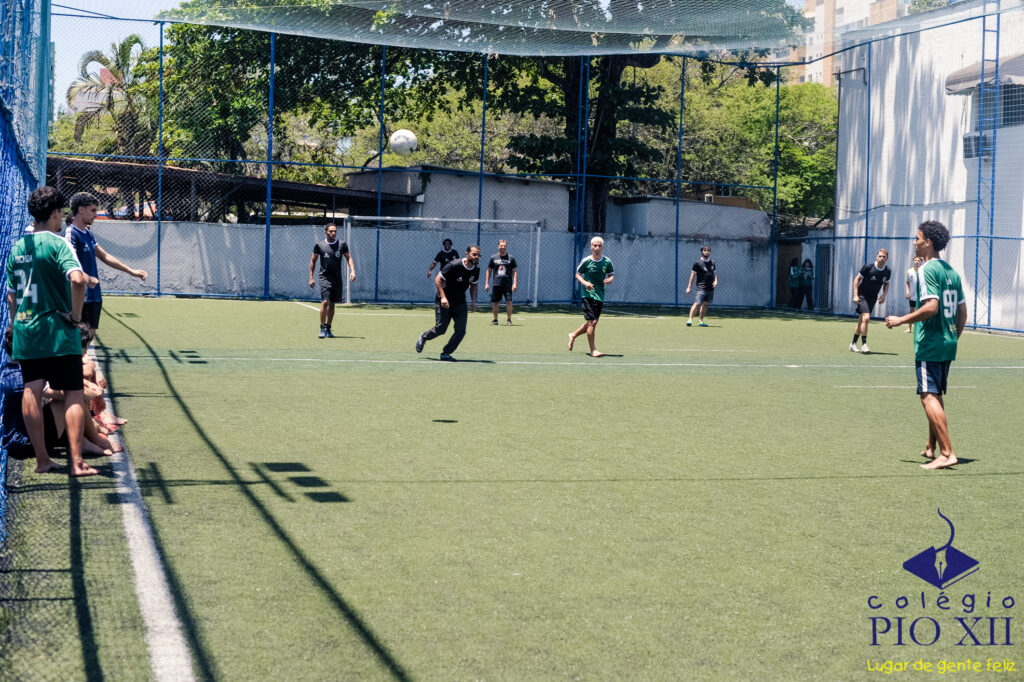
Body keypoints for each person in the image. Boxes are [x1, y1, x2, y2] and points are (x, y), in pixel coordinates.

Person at [6, 186, 95, 476]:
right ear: (56, 213)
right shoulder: (59, 244)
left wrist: (15, 325)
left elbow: (11, 296)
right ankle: (77, 462)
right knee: (73, 392)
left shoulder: (18, 247)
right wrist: (75, 317)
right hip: (58, 331)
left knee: (31, 390)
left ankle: (42, 461)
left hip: (26, 330)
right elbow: (77, 280)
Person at [885, 221, 967, 470]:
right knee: (935, 395)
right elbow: (962, 312)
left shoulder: (926, 270)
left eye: (918, 238)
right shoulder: (951, 271)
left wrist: (901, 320)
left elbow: (931, 307)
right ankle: (932, 446)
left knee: (928, 395)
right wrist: (952, 336)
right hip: (947, 343)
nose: (914, 242)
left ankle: (947, 453)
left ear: (928, 242)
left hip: (930, 343)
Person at [64, 192, 148, 330]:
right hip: (80, 296)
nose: (96, 214)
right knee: (78, 339)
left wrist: (131, 271)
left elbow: (105, 256)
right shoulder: (71, 234)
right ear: (81, 209)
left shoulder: (88, 233)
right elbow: (68, 264)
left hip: (94, 295)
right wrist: (86, 278)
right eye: (93, 210)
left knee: (89, 336)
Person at [416, 245, 481, 361]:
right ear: (467, 254)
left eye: (478, 255)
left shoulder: (476, 269)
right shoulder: (454, 265)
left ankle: (446, 353)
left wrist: (473, 301)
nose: (476, 257)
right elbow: (438, 279)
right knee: (441, 328)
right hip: (444, 299)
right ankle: (424, 336)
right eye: (474, 254)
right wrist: (443, 297)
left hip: (460, 301)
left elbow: (474, 285)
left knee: (461, 330)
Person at [568, 236, 614, 357]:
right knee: (592, 322)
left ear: (602, 247)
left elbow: (611, 275)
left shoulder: (607, 261)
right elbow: (578, 274)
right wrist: (585, 283)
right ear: (591, 247)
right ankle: (593, 350)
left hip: (599, 295)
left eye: (599, 245)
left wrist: (610, 279)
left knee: (592, 323)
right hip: (587, 295)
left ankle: (573, 334)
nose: (597, 247)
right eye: (595, 245)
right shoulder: (586, 261)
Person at [308, 223, 356, 338]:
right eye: (331, 231)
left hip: (337, 279)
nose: (333, 233)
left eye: (335, 231)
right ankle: (322, 328)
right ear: (326, 232)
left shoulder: (342, 244)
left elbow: (349, 258)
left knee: (332, 304)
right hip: (324, 278)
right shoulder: (319, 245)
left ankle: (328, 328)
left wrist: (353, 271)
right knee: (325, 301)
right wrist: (311, 277)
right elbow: (313, 261)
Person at [849, 248, 891, 353]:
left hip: (873, 297)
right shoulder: (868, 267)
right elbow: (856, 280)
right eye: (879, 256)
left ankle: (853, 344)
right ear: (877, 257)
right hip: (862, 295)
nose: (881, 258)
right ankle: (864, 345)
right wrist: (855, 295)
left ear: (887, 258)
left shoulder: (887, 271)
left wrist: (883, 295)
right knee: (866, 318)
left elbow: (886, 283)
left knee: (861, 320)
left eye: (883, 257)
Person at [484, 239, 518, 326]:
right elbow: (489, 270)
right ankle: (495, 320)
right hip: (496, 284)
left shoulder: (511, 258)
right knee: (495, 303)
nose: (503, 247)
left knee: (509, 302)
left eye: (504, 246)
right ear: (498, 246)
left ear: (506, 247)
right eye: (501, 245)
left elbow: (514, 271)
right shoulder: (493, 257)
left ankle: (509, 320)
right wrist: (486, 283)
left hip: (507, 284)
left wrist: (515, 283)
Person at [685, 245, 717, 327]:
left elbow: (714, 273)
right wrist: (689, 287)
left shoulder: (712, 262)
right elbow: (692, 275)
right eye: (705, 250)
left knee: (705, 304)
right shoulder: (697, 263)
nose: (707, 252)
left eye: (708, 251)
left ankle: (700, 321)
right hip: (701, 287)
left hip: (710, 288)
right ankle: (690, 320)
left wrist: (716, 281)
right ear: (702, 252)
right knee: (697, 303)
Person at [904, 256, 923, 334]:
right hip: (912, 296)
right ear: (913, 261)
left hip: (921, 296)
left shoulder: (923, 271)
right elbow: (907, 282)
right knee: (911, 311)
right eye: (915, 260)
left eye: (918, 260)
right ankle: (909, 328)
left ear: (921, 262)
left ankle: (920, 330)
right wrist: (907, 292)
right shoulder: (909, 271)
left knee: (921, 312)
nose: (917, 261)